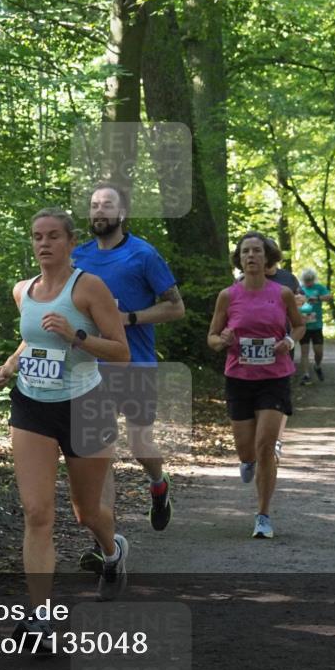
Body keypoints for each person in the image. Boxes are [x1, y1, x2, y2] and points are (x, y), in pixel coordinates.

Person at [0, 208, 131, 649]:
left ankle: (112, 551)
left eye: (53, 236)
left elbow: (121, 351)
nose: (44, 243)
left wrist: (76, 336)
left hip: (86, 406)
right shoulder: (23, 290)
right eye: (37, 236)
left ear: (71, 242)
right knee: (37, 513)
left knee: (87, 513)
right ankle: (40, 620)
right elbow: (32, 340)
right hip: (32, 407)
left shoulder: (88, 287)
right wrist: (9, 366)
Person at [72, 182, 185, 572]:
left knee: (139, 443)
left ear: (122, 214)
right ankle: (105, 546)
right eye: (94, 205)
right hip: (89, 368)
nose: (99, 210)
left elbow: (176, 308)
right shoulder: (78, 256)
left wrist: (128, 318)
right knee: (97, 455)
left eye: (107, 204)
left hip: (135, 365)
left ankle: (159, 483)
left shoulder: (143, 254)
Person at [207, 232, 305, 539]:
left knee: (265, 446)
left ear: (267, 257)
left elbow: (299, 326)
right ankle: (246, 461)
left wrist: (288, 341)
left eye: (257, 251)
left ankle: (263, 515)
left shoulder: (283, 293)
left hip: (274, 378)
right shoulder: (228, 296)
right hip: (239, 379)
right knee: (246, 450)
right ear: (239, 259)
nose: (251, 256)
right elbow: (212, 338)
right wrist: (222, 340)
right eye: (246, 252)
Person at [262, 240, 304, 465]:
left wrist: (298, 301)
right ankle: (258, 437)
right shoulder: (246, 279)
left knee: (280, 391)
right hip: (254, 344)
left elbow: (300, 299)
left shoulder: (288, 278)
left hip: (283, 342)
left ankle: (276, 440)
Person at [298, 268, 333, 386]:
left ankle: (317, 366)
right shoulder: (300, 289)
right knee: (304, 352)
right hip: (304, 325)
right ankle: (306, 375)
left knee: (319, 352)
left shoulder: (319, 288)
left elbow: (329, 297)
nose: (308, 283)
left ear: (314, 279)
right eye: (306, 280)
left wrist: (318, 298)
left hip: (317, 326)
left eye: (310, 280)